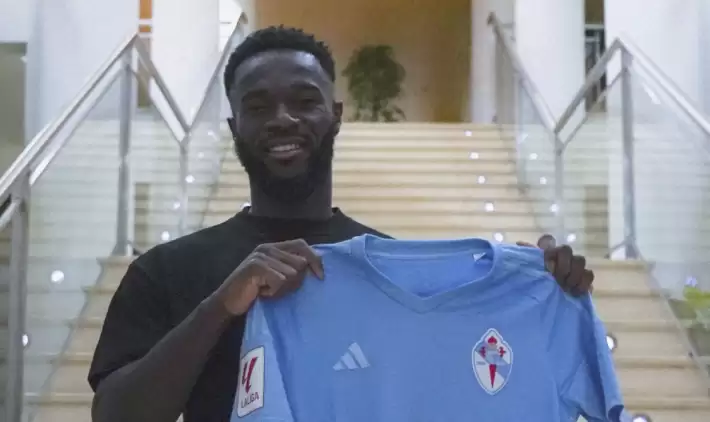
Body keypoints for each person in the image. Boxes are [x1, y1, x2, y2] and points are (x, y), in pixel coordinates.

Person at [88, 26, 594, 422]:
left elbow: (460, 390)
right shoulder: (166, 270)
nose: (282, 119)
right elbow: (115, 415)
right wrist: (220, 306)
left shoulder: (392, 272)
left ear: (335, 115)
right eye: (258, 106)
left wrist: (533, 290)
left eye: (304, 101)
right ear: (233, 127)